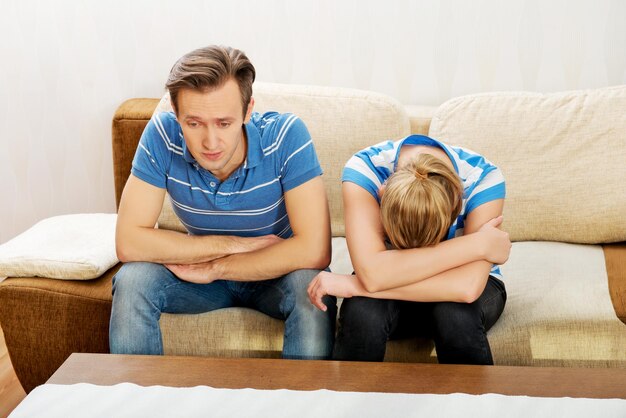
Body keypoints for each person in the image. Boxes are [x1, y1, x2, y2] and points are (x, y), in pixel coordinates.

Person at [110, 45, 336, 359]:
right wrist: (232, 245)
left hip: (275, 274)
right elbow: (129, 241)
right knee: (133, 279)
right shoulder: (162, 135)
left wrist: (219, 267)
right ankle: (138, 402)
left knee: (311, 287)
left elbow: (315, 249)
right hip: (200, 278)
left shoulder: (286, 136)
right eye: (194, 123)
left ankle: (302, 405)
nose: (210, 142)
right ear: (176, 115)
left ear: (247, 111)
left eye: (224, 123)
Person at [307, 134, 511, 364]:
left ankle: (472, 401)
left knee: (454, 315)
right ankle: (350, 398)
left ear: (455, 207)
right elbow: (372, 274)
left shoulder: (483, 177)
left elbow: (467, 288)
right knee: (363, 313)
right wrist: (477, 244)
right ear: (382, 194)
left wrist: (356, 285)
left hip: (457, 286)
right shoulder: (367, 171)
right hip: (390, 278)